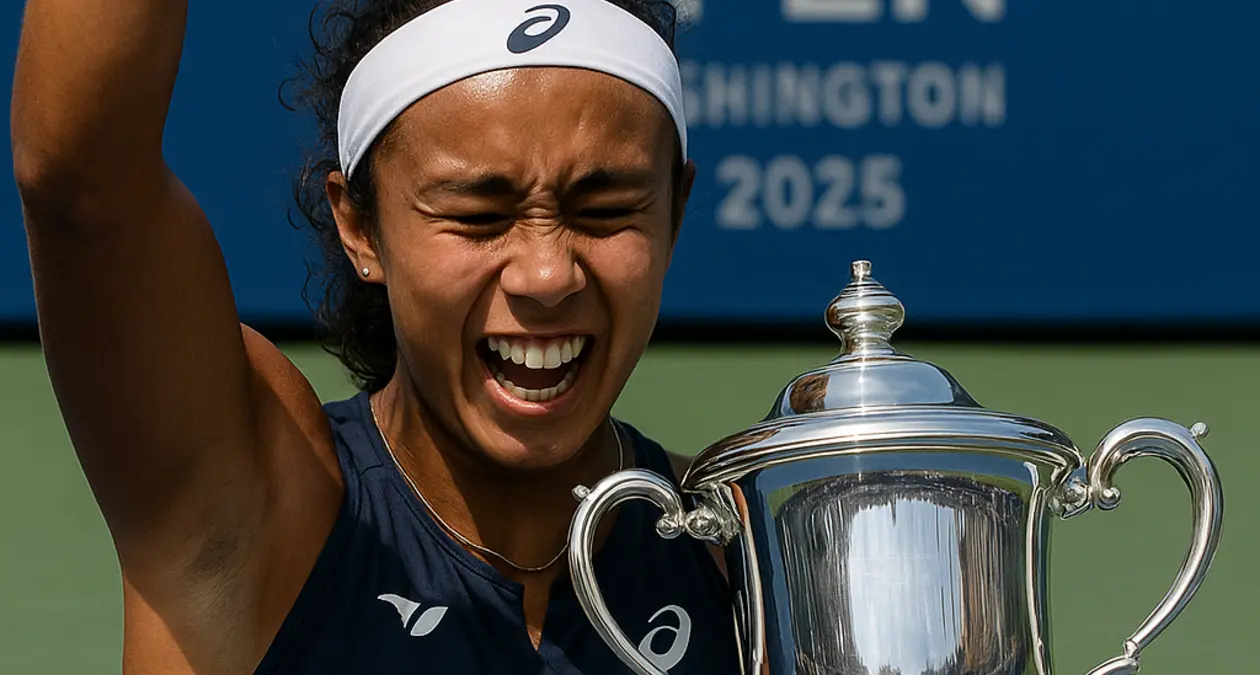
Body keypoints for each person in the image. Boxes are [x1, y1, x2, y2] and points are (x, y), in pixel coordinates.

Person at [11, 0, 740, 672]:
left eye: (606, 208)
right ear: (359, 226)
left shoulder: (746, 543)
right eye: (478, 216)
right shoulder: (257, 501)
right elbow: (80, 180)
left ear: (673, 212)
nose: (547, 274)